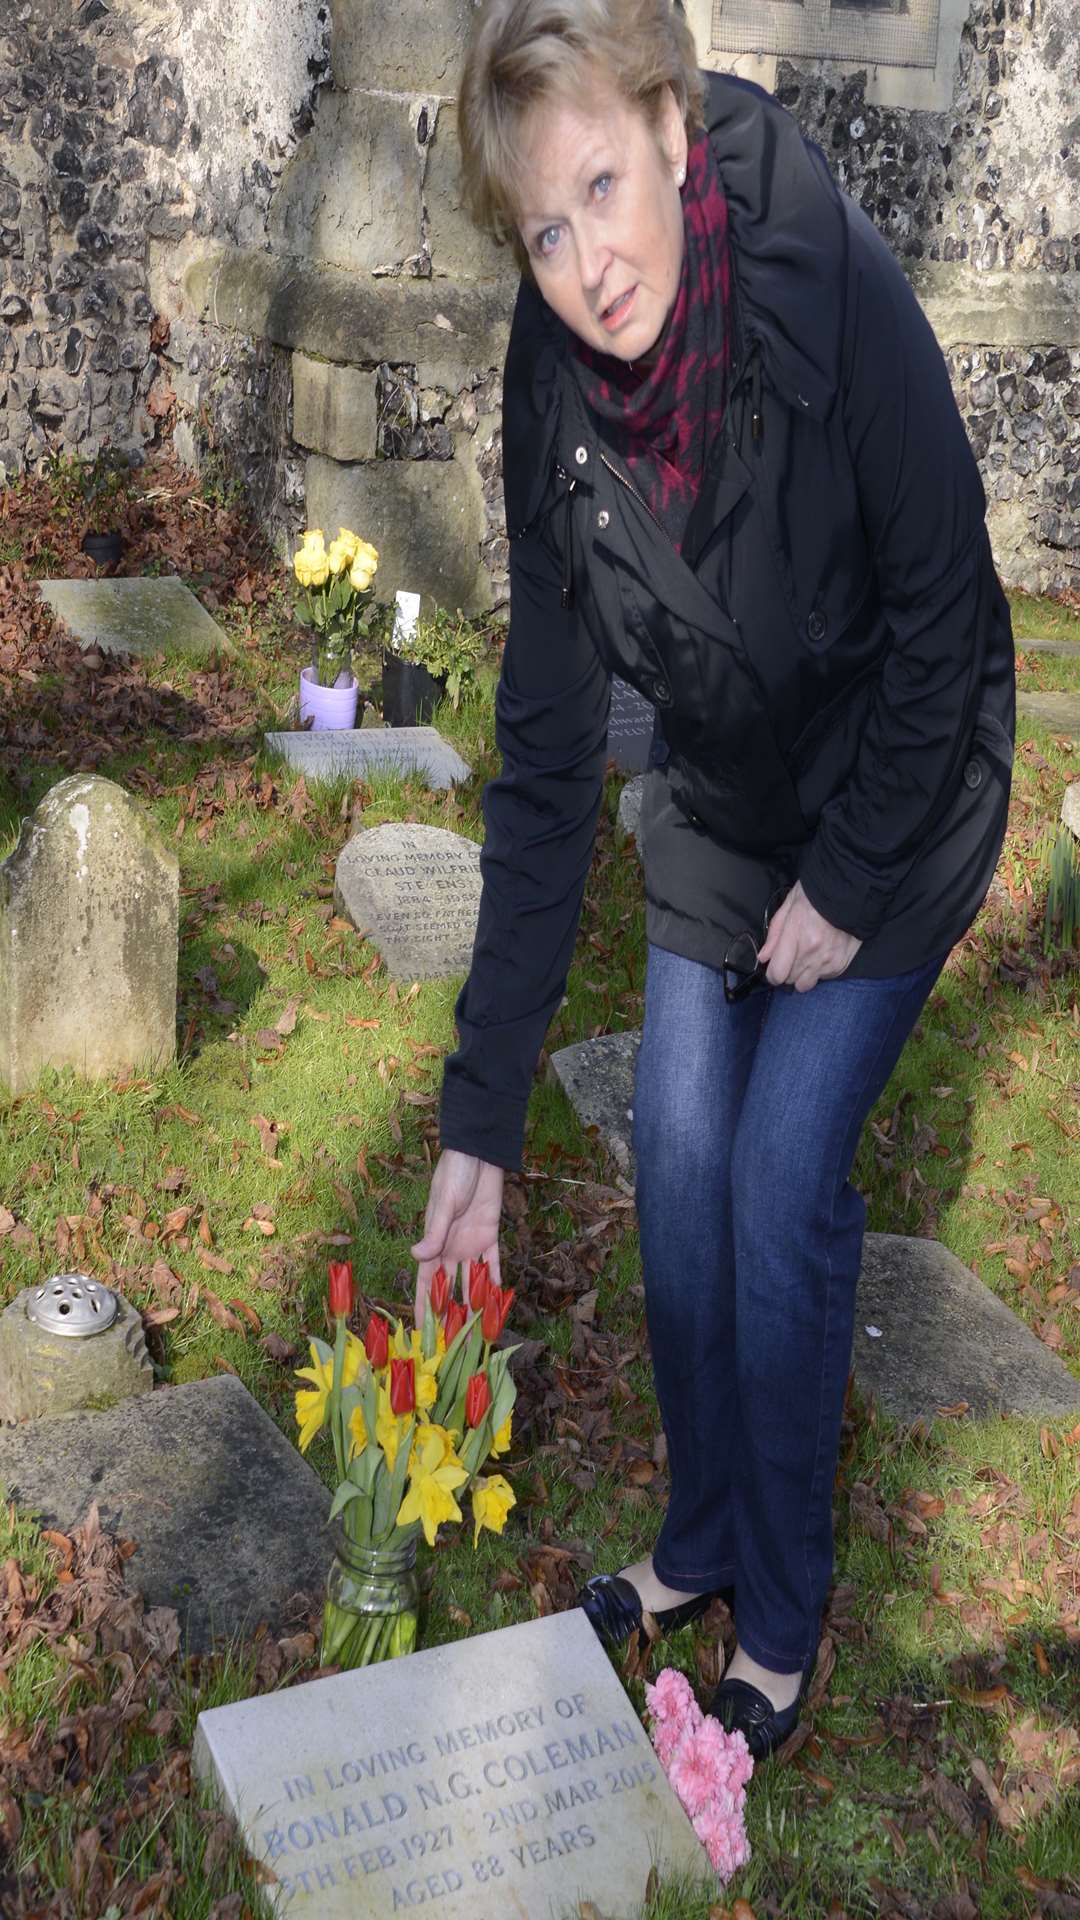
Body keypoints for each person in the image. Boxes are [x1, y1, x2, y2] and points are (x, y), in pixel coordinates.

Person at [412, 0, 1015, 1760]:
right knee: (675, 1147)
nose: (590, 262)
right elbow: (538, 764)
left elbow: (944, 615)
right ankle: (700, 1536)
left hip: (903, 789)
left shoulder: (826, 280)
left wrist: (845, 879)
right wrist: (479, 1123)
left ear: (675, 132)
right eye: (544, 226)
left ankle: (788, 1606)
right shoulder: (552, 395)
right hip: (731, 785)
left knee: (773, 1174)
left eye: (606, 184)